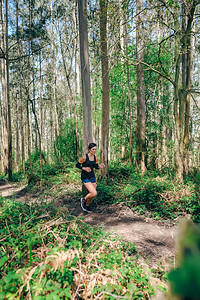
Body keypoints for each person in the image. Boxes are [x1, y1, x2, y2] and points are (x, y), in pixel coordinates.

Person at [76, 143, 105, 213]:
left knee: (92, 195)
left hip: (92, 176)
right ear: (89, 150)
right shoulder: (84, 157)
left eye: (95, 149)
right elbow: (77, 165)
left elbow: (95, 166)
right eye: (93, 149)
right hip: (85, 177)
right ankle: (83, 199)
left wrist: (100, 166)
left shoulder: (96, 158)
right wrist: (84, 168)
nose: (94, 151)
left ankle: (87, 206)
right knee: (94, 193)